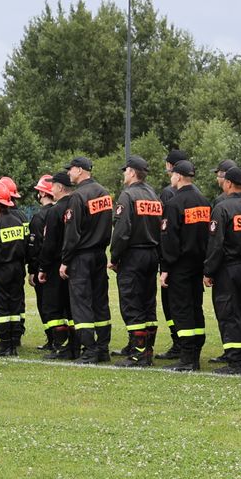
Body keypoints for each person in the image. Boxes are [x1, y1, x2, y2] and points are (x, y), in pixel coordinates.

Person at [201, 164, 241, 374]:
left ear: (228, 183)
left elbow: (215, 244)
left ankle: (235, 362)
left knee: (229, 314)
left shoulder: (222, 208)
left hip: (228, 269)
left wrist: (208, 271)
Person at [58, 157, 114, 364]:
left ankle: (89, 350)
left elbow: (72, 233)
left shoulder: (78, 196)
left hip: (81, 256)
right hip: (100, 254)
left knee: (81, 304)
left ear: (80, 170)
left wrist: (65, 260)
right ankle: (102, 348)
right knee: (100, 303)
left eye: (70, 170)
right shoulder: (104, 193)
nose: (69, 174)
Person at [156, 159, 210, 371]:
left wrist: (166, 268)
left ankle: (187, 357)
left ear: (178, 176)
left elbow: (169, 239)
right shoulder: (204, 201)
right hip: (199, 263)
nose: (171, 178)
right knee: (196, 307)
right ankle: (195, 352)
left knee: (181, 309)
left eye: (172, 175)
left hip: (180, 265)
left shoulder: (174, 203)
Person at [111, 155, 163, 364]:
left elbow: (122, 231)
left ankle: (137, 353)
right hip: (152, 253)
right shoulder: (154, 195)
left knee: (132, 302)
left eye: (126, 171)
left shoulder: (128, 196)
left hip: (133, 255)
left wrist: (115, 257)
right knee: (147, 303)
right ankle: (146, 350)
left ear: (132, 172)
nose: (124, 174)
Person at [0, 177, 32, 356]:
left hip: (0, 271)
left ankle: (5, 345)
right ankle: (13, 343)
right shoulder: (17, 221)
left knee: (2, 308)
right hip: (17, 269)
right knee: (14, 306)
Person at [33, 173, 74, 358]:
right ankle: (74, 344)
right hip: (73, 264)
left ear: (58, 187)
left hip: (55, 266)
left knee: (53, 308)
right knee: (71, 307)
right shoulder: (76, 206)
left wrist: (41, 268)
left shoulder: (54, 212)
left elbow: (48, 244)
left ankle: (60, 345)